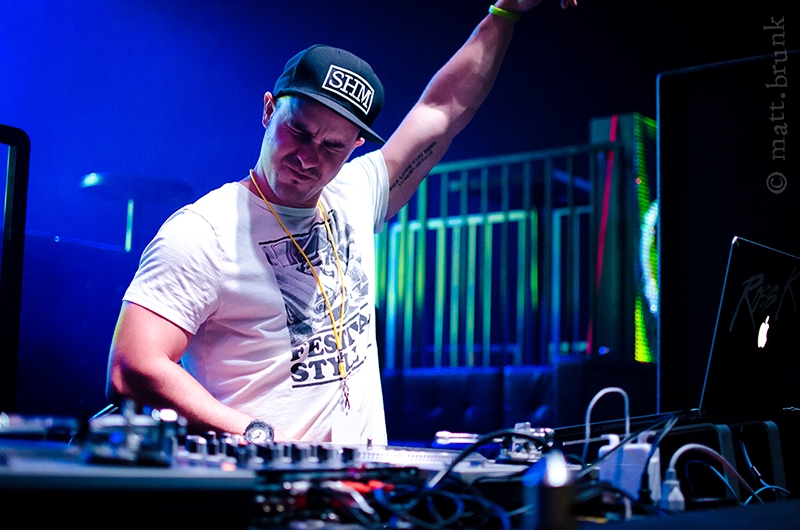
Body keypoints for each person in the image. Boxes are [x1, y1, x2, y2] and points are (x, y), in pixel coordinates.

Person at [106, 0, 577, 445]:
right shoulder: (201, 232)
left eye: (333, 146)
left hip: (359, 484)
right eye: (298, 131)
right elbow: (132, 367)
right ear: (269, 110)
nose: (308, 158)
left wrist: (505, 11)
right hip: (260, 483)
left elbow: (444, 109)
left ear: (355, 146)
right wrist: (258, 436)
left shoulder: (355, 194)